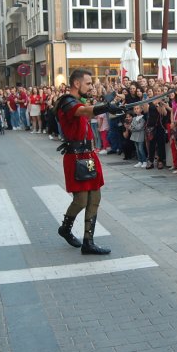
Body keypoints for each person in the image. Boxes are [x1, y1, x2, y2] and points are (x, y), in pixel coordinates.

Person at [55, 70, 124, 255]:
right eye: (88, 83)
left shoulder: (79, 101)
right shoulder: (67, 102)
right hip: (75, 156)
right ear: (77, 84)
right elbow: (83, 111)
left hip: (88, 154)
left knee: (95, 197)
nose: (91, 86)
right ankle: (65, 228)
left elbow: (89, 112)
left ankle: (88, 242)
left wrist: (111, 107)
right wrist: (106, 107)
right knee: (81, 200)